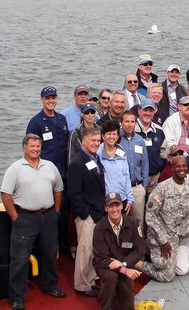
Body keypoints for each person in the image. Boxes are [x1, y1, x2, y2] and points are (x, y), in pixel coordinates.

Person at [0, 135, 66, 310]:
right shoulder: (15, 168)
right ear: (24, 148)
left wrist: (56, 211)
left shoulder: (49, 166)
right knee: (20, 259)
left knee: (50, 254)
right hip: (25, 218)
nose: (36, 149)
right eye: (32, 146)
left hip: (48, 216)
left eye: (38, 146)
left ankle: (50, 286)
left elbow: (58, 189)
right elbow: (5, 194)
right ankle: (17, 297)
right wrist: (15, 217)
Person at [67, 127, 106, 297]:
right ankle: (82, 284)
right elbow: (73, 193)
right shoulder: (77, 163)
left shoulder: (95, 158)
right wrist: (84, 214)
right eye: (93, 141)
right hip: (86, 215)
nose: (96, 144)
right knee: (84, 251)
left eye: (98, 141)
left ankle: (90, 279)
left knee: (92, 250)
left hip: (97, 211)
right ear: (84, 142)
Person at [92, 192, 145, 310]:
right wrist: (123, 269)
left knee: (128, 303)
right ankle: (106, 306)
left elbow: (140, 249)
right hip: (105, 264)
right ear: (106, 208)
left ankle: (104, 294)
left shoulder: (133, 223)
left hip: (125, 262)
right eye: (111, 206)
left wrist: (124, 264)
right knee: (111, 278)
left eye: (117, 205)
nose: (114, 209)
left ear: (122, 206)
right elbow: (101, 257)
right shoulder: (99, 228)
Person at [119, 110, 149, 227]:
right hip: (121, 188)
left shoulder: (140, 140)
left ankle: (138, 244)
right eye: (127, 121)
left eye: (132, 121)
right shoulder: (116, 140)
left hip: (137, 187)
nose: (130, 124)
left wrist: (144, 187)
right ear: (121, 123)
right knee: (122, 221)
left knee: (138, 221)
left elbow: (145, 163)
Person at [98, 120, 134, 215]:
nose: (111, 137)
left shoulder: (121, 151)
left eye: (114, 134)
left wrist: (130, 199)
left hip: (122, 198)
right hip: (106, 200)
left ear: (118, 136)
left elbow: (126, 176)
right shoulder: (98, 154)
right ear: (103, 136)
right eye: (109, 134)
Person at [134, 99, 167, 192]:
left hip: (154, 178)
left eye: (151, 111)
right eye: (145, 110)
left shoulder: (159, 130)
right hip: (136, 180)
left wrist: (158, 168)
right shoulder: (131, 129)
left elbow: (164, 154)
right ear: (139, 111)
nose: (148, 113)